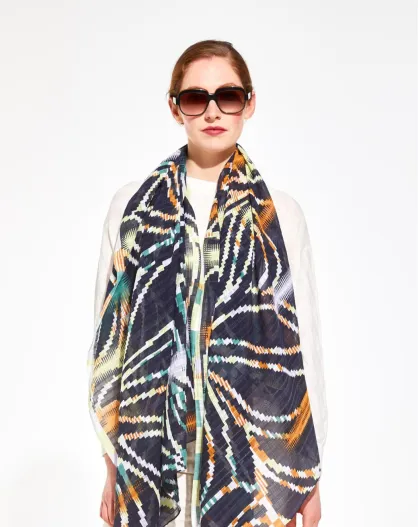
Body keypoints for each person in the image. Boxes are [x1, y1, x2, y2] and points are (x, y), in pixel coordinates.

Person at [90, 39, 328, 527]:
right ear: (175, 107)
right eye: (197, 97)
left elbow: (303, 345)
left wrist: (306, 475)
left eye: (229, 96)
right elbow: (109, 345)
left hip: (255, 467)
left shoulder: (280, 215)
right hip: (154, 462)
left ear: (249, 104)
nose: (213, 111)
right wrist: (112, 466)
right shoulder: (131, 209)